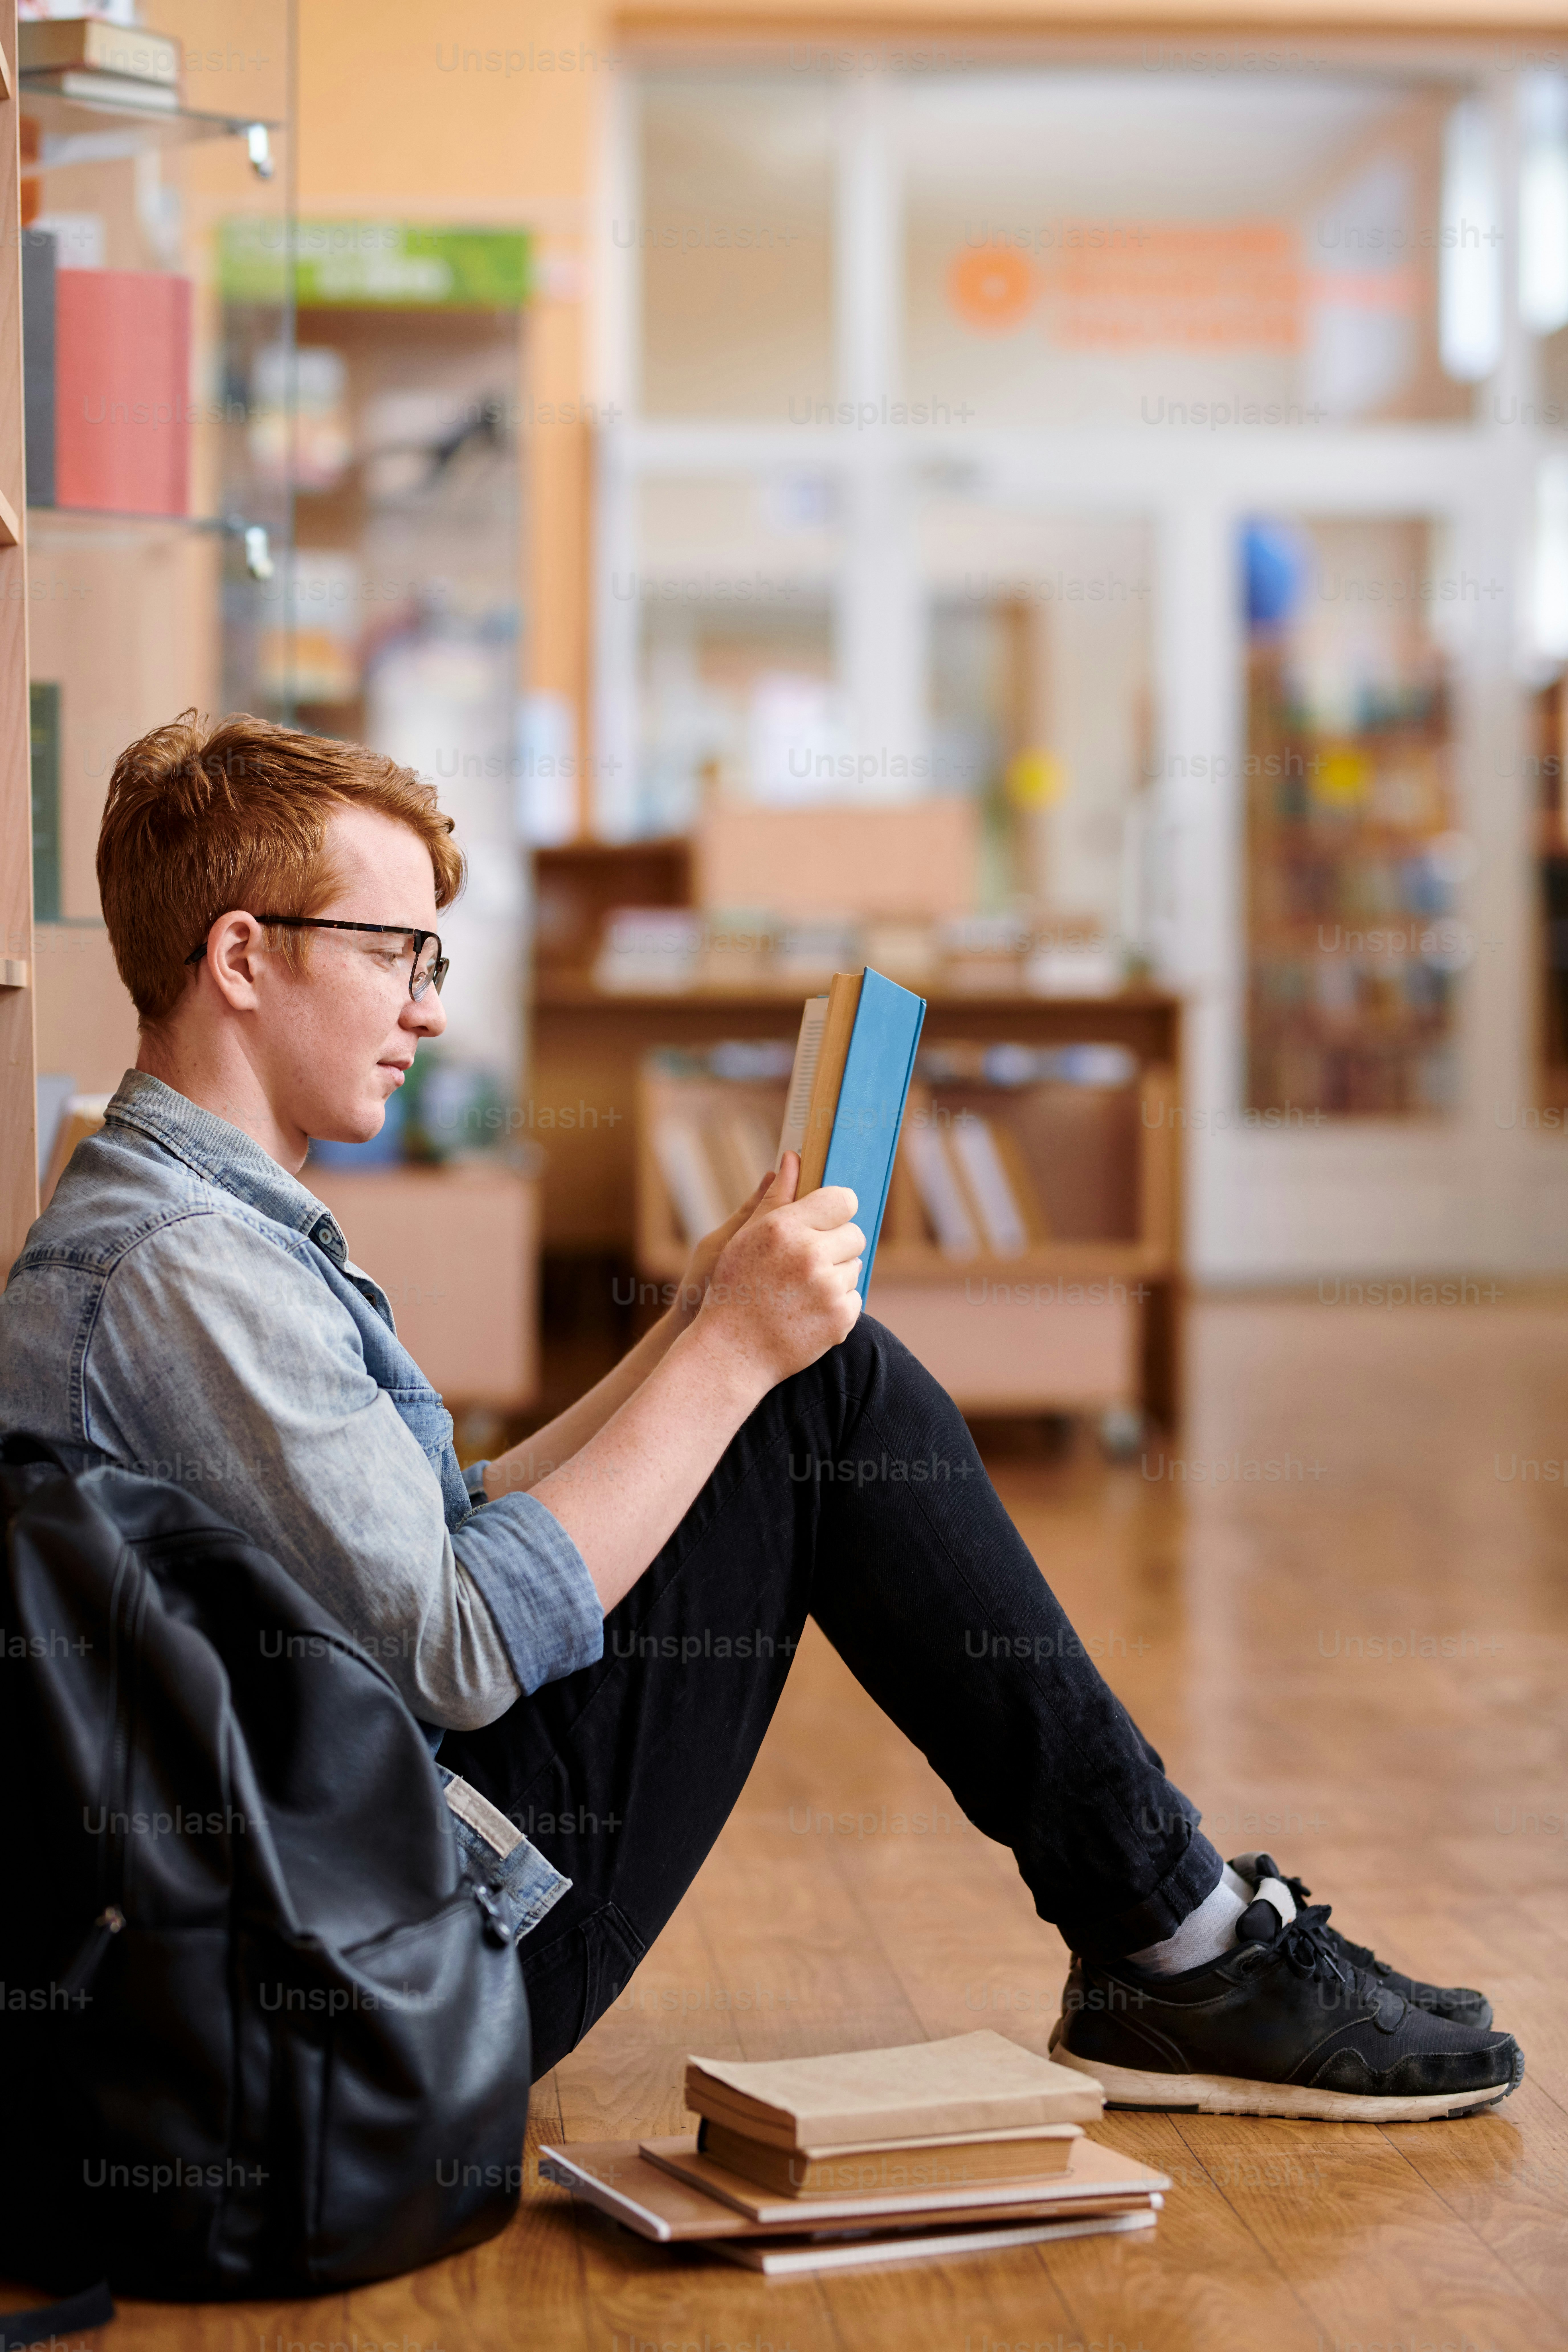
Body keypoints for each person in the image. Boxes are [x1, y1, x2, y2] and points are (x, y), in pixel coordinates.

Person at [0, 712, 1522, 2119]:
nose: (428, 1010)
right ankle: (1190, 1950)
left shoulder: (196, 1229)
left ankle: (1181, 1937)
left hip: (354, 1887)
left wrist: (691, 1331)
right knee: (821, 1394)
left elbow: (442, 1531)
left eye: (433, 962)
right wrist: (732, 1358)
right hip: (385, 1977)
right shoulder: (183, 1269)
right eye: (398, 953)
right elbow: (457, 1648)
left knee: (797, 1381)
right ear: (245, 958)